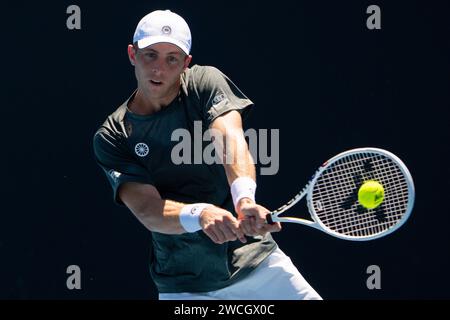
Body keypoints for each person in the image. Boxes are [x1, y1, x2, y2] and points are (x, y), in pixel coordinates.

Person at [93, 9, 321, 300]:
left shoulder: (205, 83)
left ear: (186, 63)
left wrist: (244, 198)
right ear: (132, 54)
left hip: (259, 265)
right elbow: (148, 210)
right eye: (150, 55)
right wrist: (200, 214)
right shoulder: (114, 135)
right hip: (185, 286)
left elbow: (230, 138)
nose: (159, 69)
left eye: (171, 58)